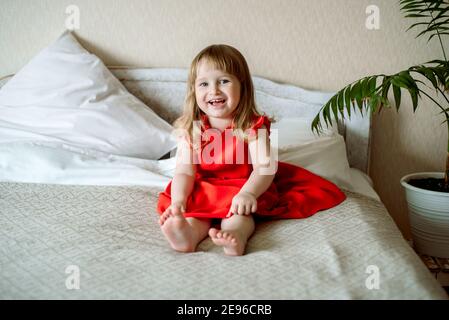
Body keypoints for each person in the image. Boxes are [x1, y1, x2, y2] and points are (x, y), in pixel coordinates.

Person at [157, 44, 346, 256]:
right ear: (193, 90)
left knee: (239, 214)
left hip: (243, 185)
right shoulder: (192, 129)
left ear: (242, 86)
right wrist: (179, 201)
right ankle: (187, 235)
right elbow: (184, 171)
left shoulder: (252, 126)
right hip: (205, 186)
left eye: (224, 81)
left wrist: (248, 193)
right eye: (203, 83)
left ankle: (236, 236)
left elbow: (264, 167)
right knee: (195, 211)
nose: (214, 90)